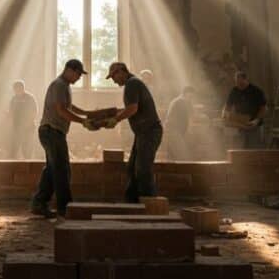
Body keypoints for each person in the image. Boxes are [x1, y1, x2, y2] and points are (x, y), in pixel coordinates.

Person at [31, 59, 99, 218]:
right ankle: (65, 207)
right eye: (78, 74)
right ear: (69, 70)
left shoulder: (64, 87)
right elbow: (61, 110)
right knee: (62, 170)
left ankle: (39, 203)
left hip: (52, 132)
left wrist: (88, 114)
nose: (79, 78)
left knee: (52, 170)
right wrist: (83, 121)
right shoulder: (59, 85)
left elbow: (69, 107)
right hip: (52, 131)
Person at [104, 62, 163, 202]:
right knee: (132, 168)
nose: (113, 80)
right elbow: (129, 108)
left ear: (121, 72)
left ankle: (149, 203)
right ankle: (132, 202)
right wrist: (108, 115)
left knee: (143, 169)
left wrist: (115, 120)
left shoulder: (132, 84)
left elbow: (132, 109)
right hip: (143, 133)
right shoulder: (133, 83)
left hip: (149, 131)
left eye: (114, 76)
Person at [222, 71, 267, 149]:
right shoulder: (234, 91)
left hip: (254, 126)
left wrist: (257, 120)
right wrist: (225, 114)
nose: (239, 85)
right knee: (240, 150)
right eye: (237, 83)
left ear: (246, 80)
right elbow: (227, 105)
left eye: (241, 83)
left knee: (253, 149)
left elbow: (263, 108)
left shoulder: (256, 91)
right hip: (240, 126)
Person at [8, 80, 38, 159]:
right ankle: (13, 164)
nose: (15, 91)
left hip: (28, 127)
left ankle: (28, 163)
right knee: (14, 148)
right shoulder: (14, 99)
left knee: (27, 149)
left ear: (22, 88)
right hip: (17, 127)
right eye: (14, 89)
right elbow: (11, 111)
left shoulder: (30, 98)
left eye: (17, 89)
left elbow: (34, 111)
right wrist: (8, 116)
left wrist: (28, 123)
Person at [165, 85, 194, 160]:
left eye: (192, 96)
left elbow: (191, 115)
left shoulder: (187, 102)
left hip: (178, 130)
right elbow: (172, 118)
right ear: (185, 93)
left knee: (173, 153)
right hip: (173, 130)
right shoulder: (179, 101)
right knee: (181, 153)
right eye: (190, 94)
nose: (191, 97)